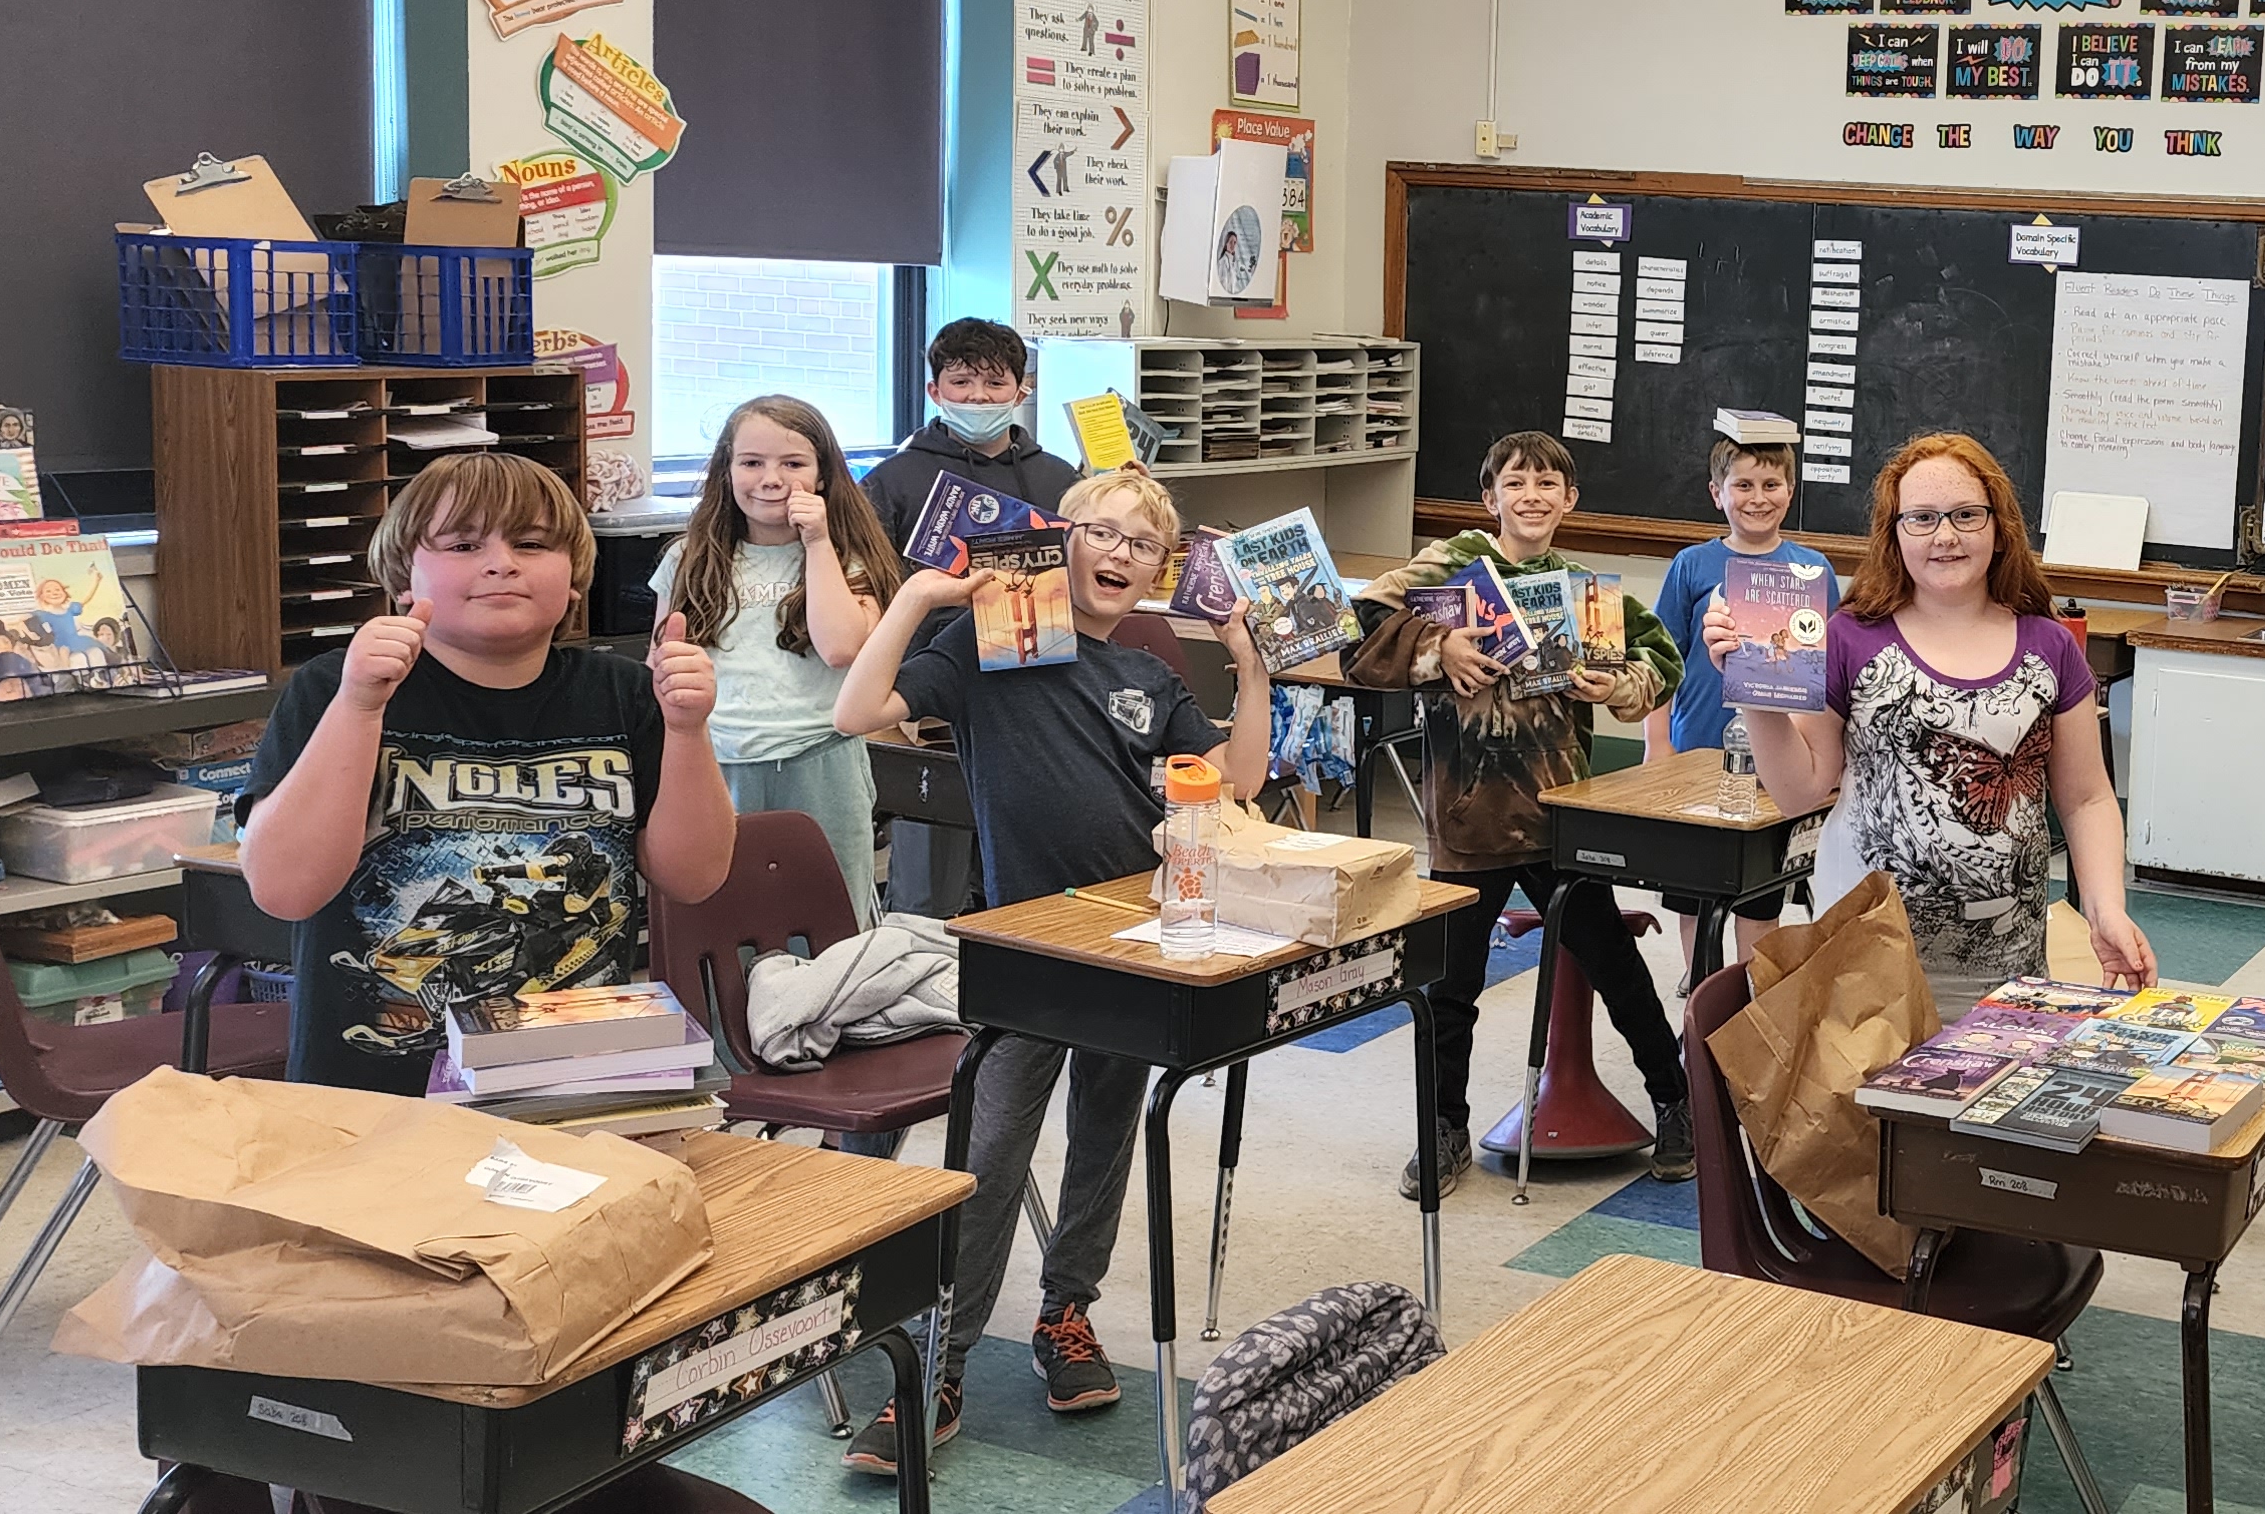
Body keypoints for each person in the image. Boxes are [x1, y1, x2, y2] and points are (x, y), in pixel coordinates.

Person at [829, 467, 1274, 1467]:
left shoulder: (1152, 680)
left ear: (1160, 569)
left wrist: (1247, 663)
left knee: (1104, 1135)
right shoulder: (986, 646)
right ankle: (936, 1367)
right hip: (1021, 948)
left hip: (1132, 945)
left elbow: (1236, 783)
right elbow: (857, 711)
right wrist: (919, 595)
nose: (1118, 553)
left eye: (1141, 544)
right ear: (1057, 540)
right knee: (984, 1161)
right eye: (1099, 533)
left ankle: (1064, 1313)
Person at [239, 453, 732, 1095]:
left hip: (569, 1080)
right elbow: (284, 890)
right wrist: (360, 705)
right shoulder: (334, 688)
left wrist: (689, 731)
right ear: (402, 577)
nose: (501, 562)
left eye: (531, 543)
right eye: (464, 544)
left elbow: (694, 878)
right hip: (368, 1095)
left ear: (575, 579)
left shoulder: (626, 693)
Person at [1343, 432, 1692, 1201]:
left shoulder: (1585, 589)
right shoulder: (1453, 562)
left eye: (1548, 484)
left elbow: (1662, 657)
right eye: (1516, 482)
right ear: (1490, 498)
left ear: (1570, 501)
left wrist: (1618, 688)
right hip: (1469, 821)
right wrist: (1441, 651)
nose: (1532, 495)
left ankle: (1675, 1103)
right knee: (1450, 989)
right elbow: (1361, 627)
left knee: (1620, 972)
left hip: (1563, 814)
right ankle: (1443, 1129)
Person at [1713, 433, 2154, 1019]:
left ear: (1999, 527)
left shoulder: (2048, 645)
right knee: (1871, 1109)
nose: (1945, 536)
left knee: (1983, 1104)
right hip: (1867, 960)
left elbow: (2088, 797)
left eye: (1966, 515)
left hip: (2005, 961)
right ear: (1893, 532)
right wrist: (1756, 695)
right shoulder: (1849, 636)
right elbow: (1800, 791)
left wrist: (2106, 908)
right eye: (1921, 519)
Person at [651, 396, 901, 925]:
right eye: (752, 463)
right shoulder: (687, 558)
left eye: (793, 464)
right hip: (719, 764)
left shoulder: (847, 556)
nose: (771, 479)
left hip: (821, 762)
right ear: (726, 471)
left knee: (830, 920)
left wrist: (817, 541)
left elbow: (841, 650)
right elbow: (664, 664)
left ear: (824, 475)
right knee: (722, 922)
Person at [1643, 429, 1838, 957]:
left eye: (1771, 484)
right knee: (1693, 884)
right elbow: (1661, 659)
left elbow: (1827, 669)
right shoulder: (1692, 565)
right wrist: (1656, 744)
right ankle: (1697, 977)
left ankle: (1754, 981)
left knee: (1760, 887)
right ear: (1717, 493)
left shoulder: (1813, 569)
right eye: (1743, 484)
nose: (1758, 498)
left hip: (1779, 758)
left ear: (1790, 491)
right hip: (1698, 748)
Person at [860, 317, 1080, 532]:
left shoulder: (1061, 480)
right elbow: (863, 565)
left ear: (1020, 395)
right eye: (961, 382)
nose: (978, 395)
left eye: (995, 383)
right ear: (935, 393)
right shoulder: (890, 481)